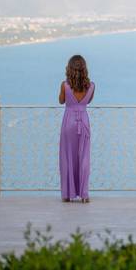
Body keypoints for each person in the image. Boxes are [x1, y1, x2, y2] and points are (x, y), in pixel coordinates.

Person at [58, 54, 95, 202]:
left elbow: (61, 101)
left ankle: (68, 195)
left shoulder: (65, 85)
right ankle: (84, 195)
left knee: (67, 157)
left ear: (70, 69)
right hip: (84, 122)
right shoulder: (91, 86)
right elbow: (89, 100)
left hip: (69, 122)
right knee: (84, 158)